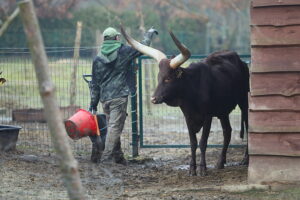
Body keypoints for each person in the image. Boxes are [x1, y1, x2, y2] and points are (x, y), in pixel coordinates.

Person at [88, 26, 158, 165]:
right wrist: (149, 34)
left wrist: (93, 104)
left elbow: (94, 84)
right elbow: (142, 46)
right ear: (116, 38)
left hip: (105, 99)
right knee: (114, 127)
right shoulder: (123, 52)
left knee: (113, 126)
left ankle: (118, 157)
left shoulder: (97, 59)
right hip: (119, 97)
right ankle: (107, 158)